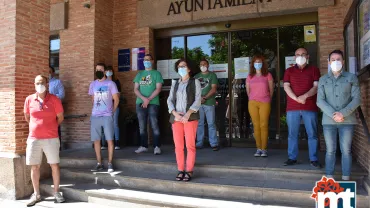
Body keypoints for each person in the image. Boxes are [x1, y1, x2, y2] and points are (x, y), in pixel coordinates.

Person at [317, 50, 361, 180]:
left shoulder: (351, 77)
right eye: (333, 59)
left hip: (347, 121)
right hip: (328, 121)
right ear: (329, 62)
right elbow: (320, 101)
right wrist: (333, 114)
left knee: (346, 151)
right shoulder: (323, 79)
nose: (336, 62)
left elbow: (356, 99)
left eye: (338, 59)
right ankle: (329, 178)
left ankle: (346, 178)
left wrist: (343, 113)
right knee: (330, 150)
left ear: (343, 61)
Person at [24, 75, 65, 206]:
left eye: (41, 82)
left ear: (47, 84)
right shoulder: (29, 99)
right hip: (34, 139)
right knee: (34, 167)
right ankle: (36, 194)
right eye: (37, 83)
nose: (39, 84)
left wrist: (50, 127)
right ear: (34, 84)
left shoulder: (54, 99)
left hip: (51, 138)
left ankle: (57, 192)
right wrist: (37, 128)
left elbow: (60, 118)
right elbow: (27, 117)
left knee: (54, 165)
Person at [283, 48, 322, 168]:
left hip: (310, 107)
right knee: (292, 134)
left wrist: (304, 96)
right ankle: (292, 158)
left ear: (308, 56)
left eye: (303, 54)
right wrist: (297, 99)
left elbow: (316, 87)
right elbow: (286, 87)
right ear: (294, 57)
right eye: (298, 55)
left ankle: (314, 159)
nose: (300, 56)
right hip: (292, 107)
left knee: (312, 134)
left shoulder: (314, 70)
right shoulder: (288, 71)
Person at [167, 59, 201, 182]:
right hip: (176, 118)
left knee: (190, 146)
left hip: (190, 118)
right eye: (179, 67)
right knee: (178, 146)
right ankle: (181, 169)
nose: (181, 68)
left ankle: (189, 170)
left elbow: (198, 100)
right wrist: (175, 113)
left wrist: (187, 114)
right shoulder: (175, 83)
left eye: (183, 66)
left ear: (189, 68)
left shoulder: (195, 82)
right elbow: (169, 100)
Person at [89, 63, 119, 173]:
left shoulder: (111, 84)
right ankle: (99, 163)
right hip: (95, 116)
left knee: (109, 140)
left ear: (105, 71)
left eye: (100, 69)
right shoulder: (93, 84)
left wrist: (112, 112)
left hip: (107, 116)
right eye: (97, 69)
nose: (98, 71)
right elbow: (92, 99)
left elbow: (116, 99)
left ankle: (110, 163)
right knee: (96, 141)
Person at [133, 54, 164, 155]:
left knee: (154, 124)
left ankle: (157, 146)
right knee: (142, 126)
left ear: (152, 61)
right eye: (145, 60)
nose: (146, 61)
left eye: (148, 59)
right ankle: (143, 146)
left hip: (153, 103)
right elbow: (136, 89)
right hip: (140, 103)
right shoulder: (139, 74)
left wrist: (148, 99)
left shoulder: (157, 74)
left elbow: (158, 88)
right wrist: (143, 99)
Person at [246, 55, 274, 157]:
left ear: (263, 63)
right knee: (256, 126)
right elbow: (248, 91)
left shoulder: (268, 75)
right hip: (253, 103)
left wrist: (267, 99)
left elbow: (271, 90)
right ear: (253, 64)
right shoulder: (250, 76)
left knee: (264, 125)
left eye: (260, 62)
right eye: (256, 62)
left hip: (264, 102)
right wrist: (253, 98)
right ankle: (258, 148)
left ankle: (264, 148)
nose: (258, 64)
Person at [195, 58, 219, 151]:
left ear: (208, 65)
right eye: (201, 64)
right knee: (199, 124)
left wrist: (204, 98)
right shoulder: (196, 76)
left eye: (204, 64)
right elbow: (194, 90)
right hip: (198, 104)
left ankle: (213, 143)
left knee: (211, 123)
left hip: (209, 103)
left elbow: (213, 89)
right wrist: (199, 99)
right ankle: (199, 143)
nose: (203, 66)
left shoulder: (212, 75)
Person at [101, 66, 122, 150]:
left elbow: (118, 95)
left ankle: (117, 142)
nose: (108, 72)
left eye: (110, 70)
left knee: (115, 124)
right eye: (107, 71)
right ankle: (104, 143)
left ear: (112, 72)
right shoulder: (103, 82)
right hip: (104, 107)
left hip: (114, 105)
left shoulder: (116, 82)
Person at [48, 66, 65, 150]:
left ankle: (57, 148)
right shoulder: (42, 83)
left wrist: (51, 97)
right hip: (44, 110)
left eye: (50, 71)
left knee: (55, 127)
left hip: (54, 109)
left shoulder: (57, 82)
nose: (48, 73)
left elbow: (61, 95)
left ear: (53, 73)